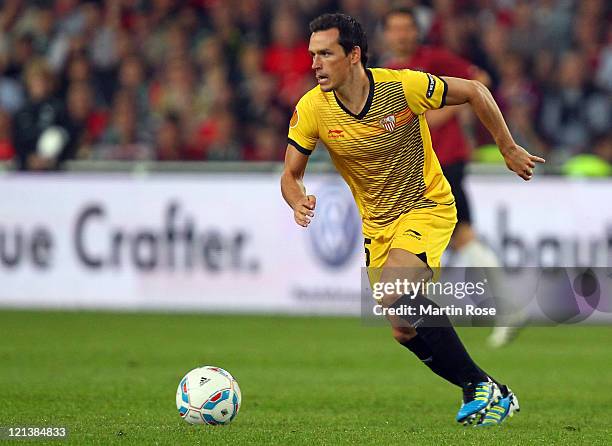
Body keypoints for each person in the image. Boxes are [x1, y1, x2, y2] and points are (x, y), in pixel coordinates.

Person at [280, 13, 544, 426]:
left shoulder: (401, 86)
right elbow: (290, 174)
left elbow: (475, 90)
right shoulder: (313, 108)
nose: (315, 64)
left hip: (427, 206)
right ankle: (492, 388)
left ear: (353, 55)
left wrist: (507, 147)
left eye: (326, 54)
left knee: (394, 292)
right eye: (313, 54)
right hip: (378, 227)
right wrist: (296, 200)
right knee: (402, 328)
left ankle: (478, 387)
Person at [381, 7, 520, 347]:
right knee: (448, 240)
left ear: (417, 31)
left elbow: (480, 83)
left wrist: (442, 115)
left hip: (445, 161)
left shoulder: (436, 59)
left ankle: (507, 308)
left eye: (407, 28)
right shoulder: (384, 74)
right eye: (395, 29)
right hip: (413, 169)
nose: (401, 35)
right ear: (386, 35)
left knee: (461, 236)